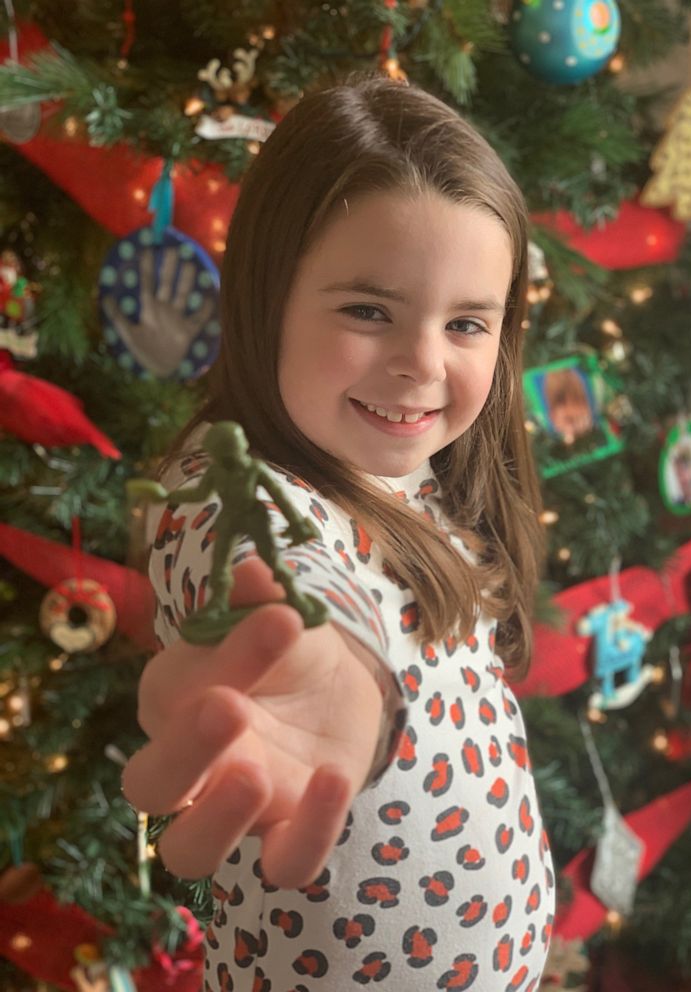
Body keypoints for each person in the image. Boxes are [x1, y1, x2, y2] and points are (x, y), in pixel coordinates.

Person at [123, 72, 554, 991]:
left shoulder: (419, 475)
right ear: (267, 295)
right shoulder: (224, 486)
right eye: (369, 310)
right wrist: (330, 661)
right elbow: (279, 570)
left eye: (468, 323)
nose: (423, 364)